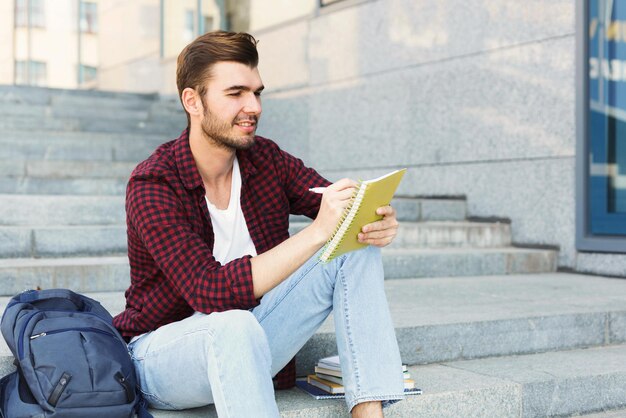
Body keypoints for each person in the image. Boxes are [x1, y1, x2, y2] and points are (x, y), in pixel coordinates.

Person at [113, 30, 405, 418]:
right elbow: (209, 290)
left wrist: (373, 219)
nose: (253, 106)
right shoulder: (154, 183)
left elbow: (337, 205)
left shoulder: (265, 159)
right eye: (235, 94)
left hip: (252, 338)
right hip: (164, 358)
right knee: (232, 324)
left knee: (355, 247)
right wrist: (318, 231)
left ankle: (369, 411)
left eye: (257, 92)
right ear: (192, 101)